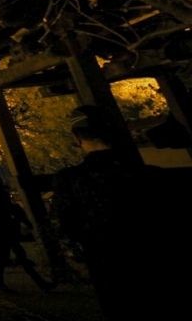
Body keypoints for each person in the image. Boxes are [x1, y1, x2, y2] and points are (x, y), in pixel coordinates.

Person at [51, 106, 174, 320]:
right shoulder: (152, 175)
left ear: (77, 138)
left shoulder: (70, 179)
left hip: (107, 265)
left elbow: (65, 225)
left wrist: (77, 258)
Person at [0, 160, 52, 292]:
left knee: (7, 252)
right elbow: (6, 205)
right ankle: (38, 282)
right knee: (15, 252)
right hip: (4, 222)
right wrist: (23, 218)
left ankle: (3, 281)